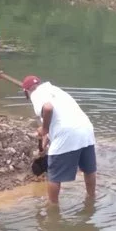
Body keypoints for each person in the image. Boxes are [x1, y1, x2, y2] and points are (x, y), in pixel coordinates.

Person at [21, 75, 97, 204]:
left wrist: (44, 129)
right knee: (89, 169)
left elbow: (48, 108)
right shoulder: (55, 90)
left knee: (54, 176)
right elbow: (56, 119)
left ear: (26, 92)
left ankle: (53, 208)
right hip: (86, 130)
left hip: (67, 133)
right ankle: (91, 198)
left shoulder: (36, 95)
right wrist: (45, 143)